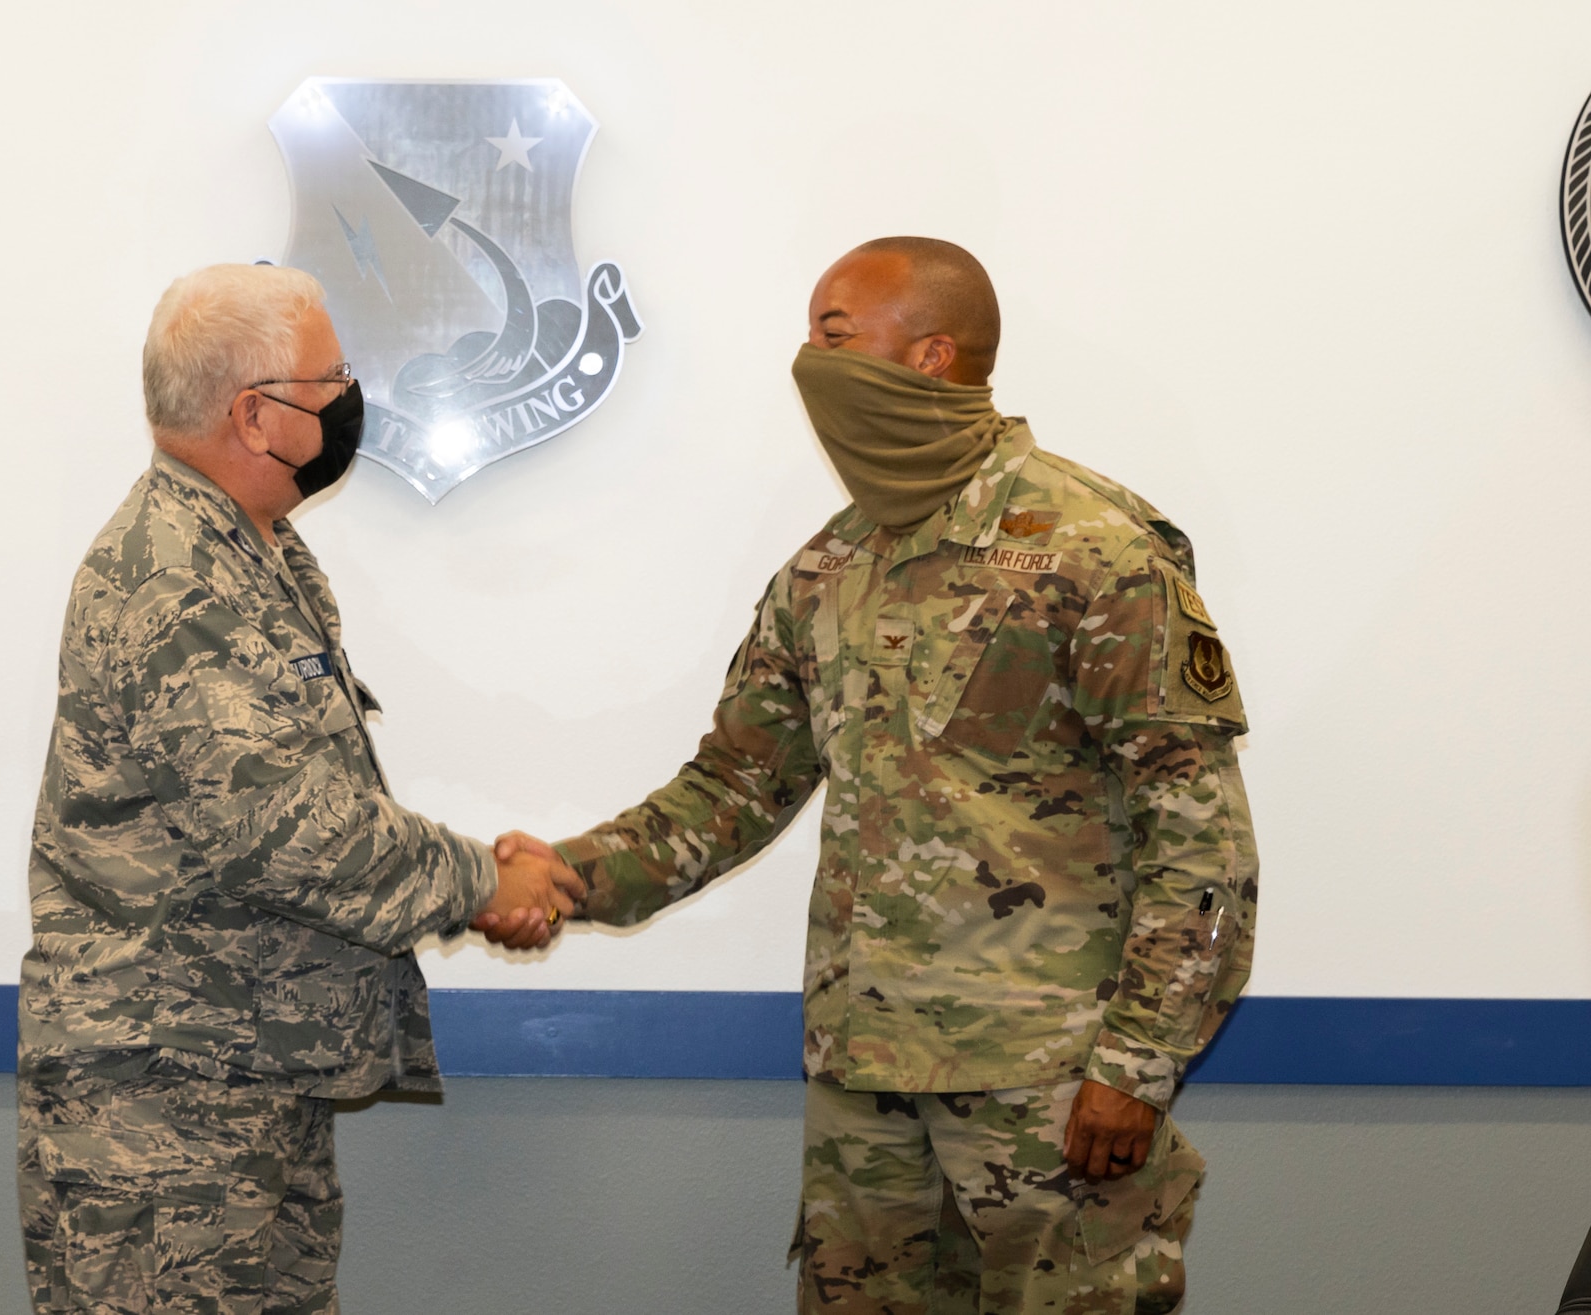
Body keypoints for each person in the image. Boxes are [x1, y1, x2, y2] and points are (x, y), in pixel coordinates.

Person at [490, 238, 1258, 1314]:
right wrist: (564, 872)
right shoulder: (826, 568)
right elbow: (729, 788)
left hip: (1044, 1084)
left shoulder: (1094, 547)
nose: (807, 359)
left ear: (933, 356)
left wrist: (1135, 1064)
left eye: (833, 334)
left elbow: (1199, 839)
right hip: (865, 1085)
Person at [17, 262, 583, 1315]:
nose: (351, 398)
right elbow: (287, 831)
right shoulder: (174, 574)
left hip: (246, 1079)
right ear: (257, 414)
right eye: (333, 380)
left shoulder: (255, 552)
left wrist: (480, 875)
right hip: (166, 1112)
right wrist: (480, 878)